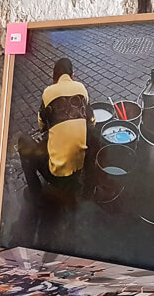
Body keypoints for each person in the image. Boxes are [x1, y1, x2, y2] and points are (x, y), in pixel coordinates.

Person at [18, 58, 96, 203]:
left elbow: (42, 127)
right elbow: (92, 121)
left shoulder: (48, 92)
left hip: (57, 175)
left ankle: (35, 192)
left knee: (23, 141)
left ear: (54, 79)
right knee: (88, 131)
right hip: (78, 169)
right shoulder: (82, 89)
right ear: (72, 76)